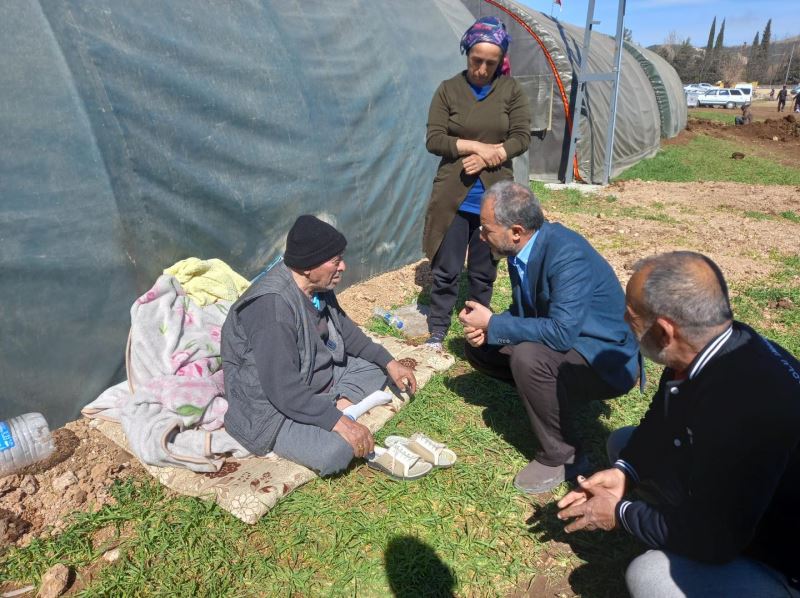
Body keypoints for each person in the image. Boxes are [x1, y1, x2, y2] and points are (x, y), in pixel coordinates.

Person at [556, 251, 800, 598]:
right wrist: (626, 472)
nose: (626, 325)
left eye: (631, 318)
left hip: (781, 556)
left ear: (663, 331)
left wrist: (621, 513)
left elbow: (716, 540)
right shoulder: (707, 348)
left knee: (650, 576)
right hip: (744, 502)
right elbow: (660, 422)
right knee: (623, 446)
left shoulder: (749, 411)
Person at [458, 181, 640, 494]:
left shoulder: (567, 255)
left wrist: (494, 322)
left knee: (528, 357)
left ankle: (565, 456)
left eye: (486, 227)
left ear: (516, 231)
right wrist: (489, 328)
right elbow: (526, 311)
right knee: (484, 346)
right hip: (573, 344)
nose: (480, 233)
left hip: (607, 360)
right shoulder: (522, 249)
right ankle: (548, 401)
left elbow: (560, 332)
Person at [221, 215, 417, 476]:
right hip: (272, 408)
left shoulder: (318, 287)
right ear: (307, 267)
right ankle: (333, 412)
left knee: (377, 366)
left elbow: (346, 331)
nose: (343, 267)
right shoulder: (273, 308)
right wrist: (339, 424)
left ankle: (338, 405)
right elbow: (283, 389)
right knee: (336, 451)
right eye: (335, 261)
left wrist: (390, 362)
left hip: (313, 375)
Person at [422, 16, 531, 351]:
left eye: (491, 63)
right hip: (454, 196)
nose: (483, 69)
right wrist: (472, 146)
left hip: (494, 198)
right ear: (467, 53)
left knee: (484, 272)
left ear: (501, 61)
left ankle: (478, 330)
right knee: (446, 270)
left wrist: (491, 156)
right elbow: (434, 139)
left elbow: (521, 137)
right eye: (476, 61)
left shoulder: (510, 91)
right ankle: (437, 330)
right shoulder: (449, 90)